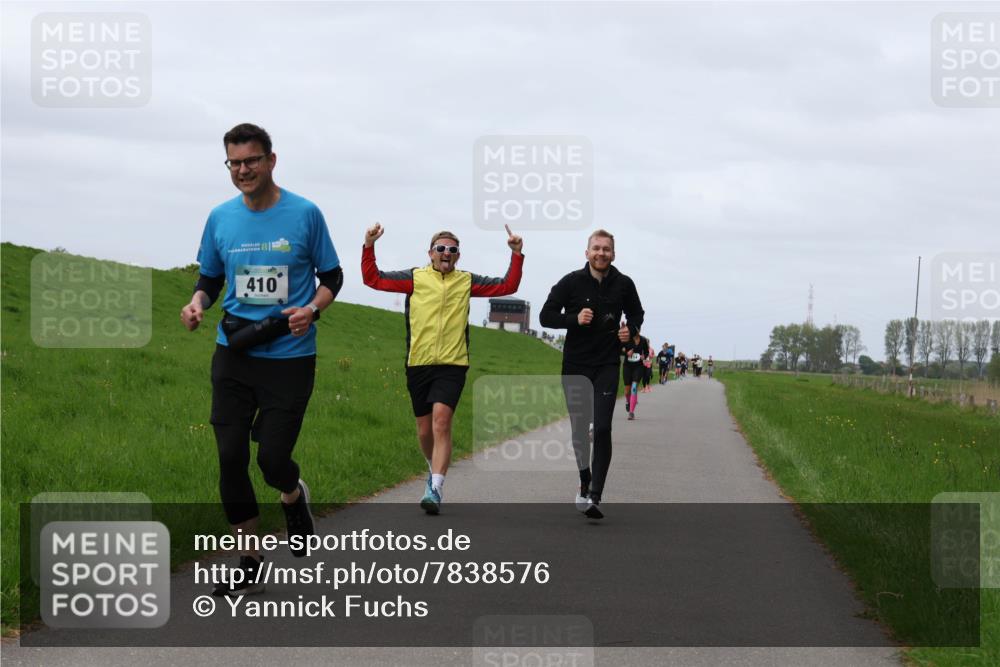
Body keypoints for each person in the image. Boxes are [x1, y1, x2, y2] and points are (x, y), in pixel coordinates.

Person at [180, 123, 343, 596]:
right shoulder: (220, 218)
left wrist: (312, 310)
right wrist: (197, 303)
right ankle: (249, 557)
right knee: (230, 458)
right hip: (234, 352)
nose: (243, 170)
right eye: (234, 162)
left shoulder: (305, 214)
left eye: (251, 160)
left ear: (271, 161)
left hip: (289, 357)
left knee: (272, 460)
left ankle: (293, 495)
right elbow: (210, 277)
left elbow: (332, 275)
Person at [362, 223, 523, 514]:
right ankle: (431, 466)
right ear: (431, 253)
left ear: (458, 256)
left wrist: (516, 254)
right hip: (419, 362)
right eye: (441, 249)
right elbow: (373, 280)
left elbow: (507, 285)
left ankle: (435, 488)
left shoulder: (466, 281)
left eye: (452, 250)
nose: (446, 253)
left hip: (453, 363)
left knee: (440, 421)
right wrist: (369, 245)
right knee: (424, 430)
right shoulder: (414, 278)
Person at [540, 229, 644, 519]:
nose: (601, 253)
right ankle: (584, 479)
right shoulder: (571, 282)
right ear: (587, 253)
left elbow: (637, 313)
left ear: (613, 254)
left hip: (608, 365)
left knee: (601, 428)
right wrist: (574, 319)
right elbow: (545, 316)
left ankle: (595, 494)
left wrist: (630, 330)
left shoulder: (624, 284)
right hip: (575, 365)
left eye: (606, 249)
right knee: (579, 430)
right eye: (596, 248)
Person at [622, 332, 648, 418]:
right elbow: (620, 350)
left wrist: (644, 356)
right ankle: (627, 401)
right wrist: (626, 353)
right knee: (627, 391)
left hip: (638, 367)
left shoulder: (643, 340)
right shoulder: (627, 339)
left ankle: (631, 412)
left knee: (634, 387)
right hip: (627, 367)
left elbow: (646, 352)